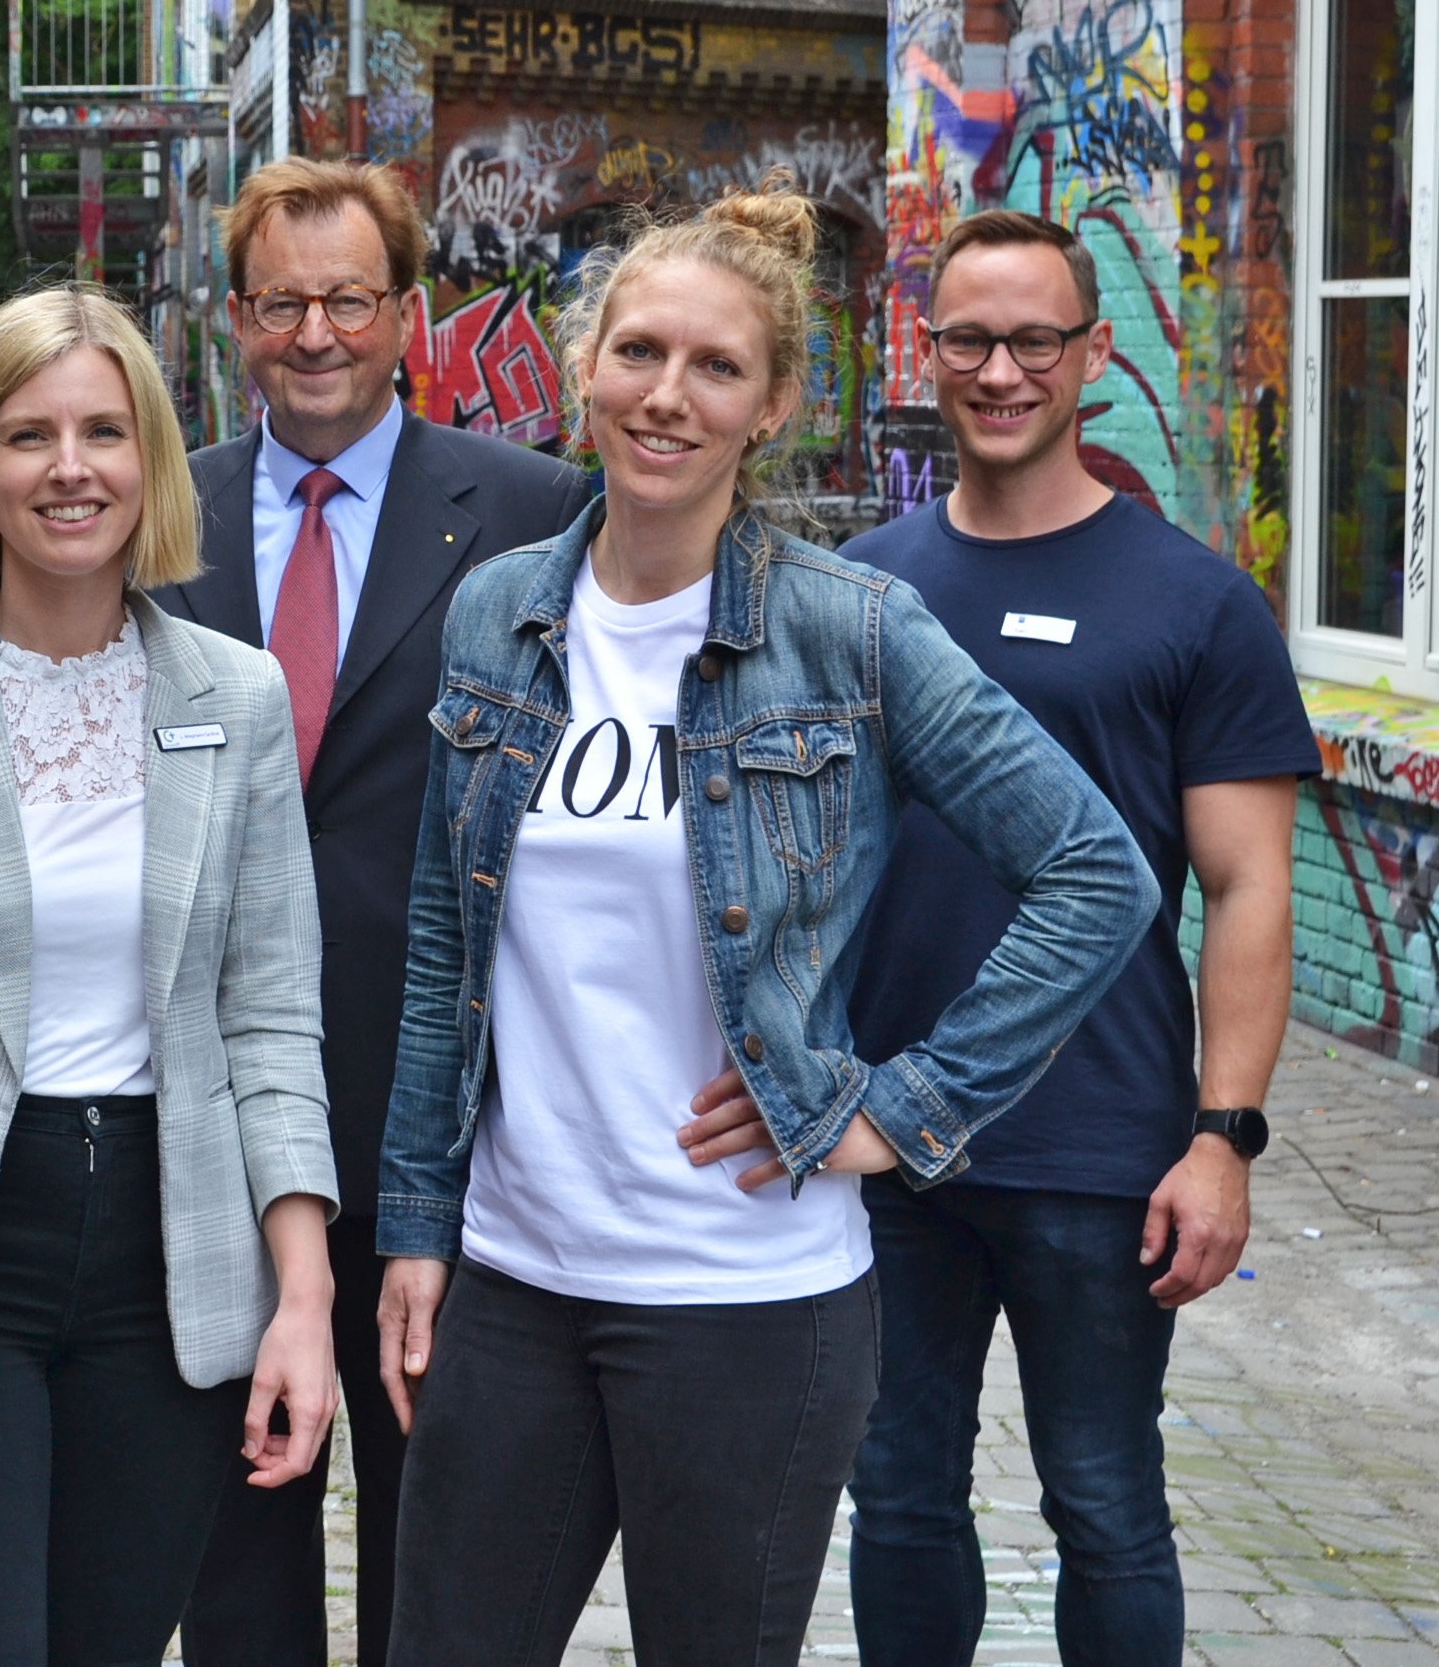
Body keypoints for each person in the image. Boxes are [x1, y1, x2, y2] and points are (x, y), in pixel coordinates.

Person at [370, 187, 1163, 1667]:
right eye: (639, 353)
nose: (667, 396)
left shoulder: (850, 630)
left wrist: (899, 1110)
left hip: (742, 1301)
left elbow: (1095, 875)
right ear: (583, 365)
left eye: (716, 368)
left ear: (774, 403)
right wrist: (417, 1226)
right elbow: (440, 947)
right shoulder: (494, 617)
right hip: (515, 1280)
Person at [0, 283, 343, 1665]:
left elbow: (272, 1019)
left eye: (104, 430)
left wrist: (306, 1302)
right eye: (29, 434)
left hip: (173, 1252)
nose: (71, 467)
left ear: (150, 457)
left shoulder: (237, 696)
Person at [840, 209, 1314, 1667]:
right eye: (970, 338)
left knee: (1106, 1506)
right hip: (887, 1133)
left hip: (1098, 1143)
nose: (1000, 370)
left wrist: (1222, 1137)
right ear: (925, 354)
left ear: (1092, 355)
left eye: (1034, 338)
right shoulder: (857, 588)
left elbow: (1247, 887)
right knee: (898, 1500)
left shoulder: (1195, 603)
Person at [155, 155, 586, 1667]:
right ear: (235, 318)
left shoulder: (538, 514)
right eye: (283, 302)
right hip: (209, 1117)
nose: (316, 333)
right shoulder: (155, 512)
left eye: (349, 299)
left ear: (408, 312)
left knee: (438, 1547)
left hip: (446, 1120)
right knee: (240, 1549)